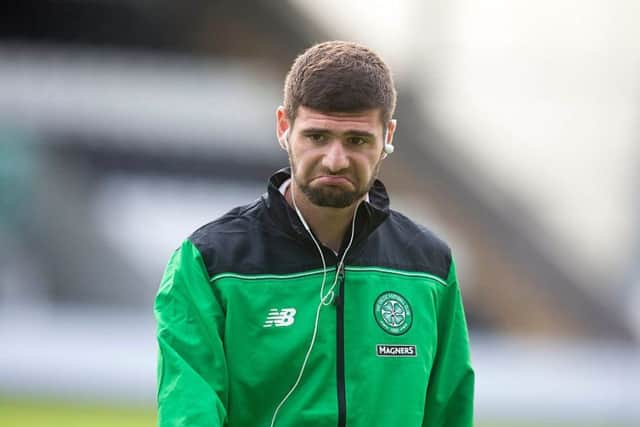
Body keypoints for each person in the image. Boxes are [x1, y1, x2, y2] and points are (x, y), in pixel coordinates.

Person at [154, 40, 474, 427]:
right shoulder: (209, 262)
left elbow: (450, 414)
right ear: (284, 128)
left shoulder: (429, 266)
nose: (335, 160)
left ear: (387, 135)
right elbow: (189, 414)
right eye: (317, 136)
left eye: (357, 140)